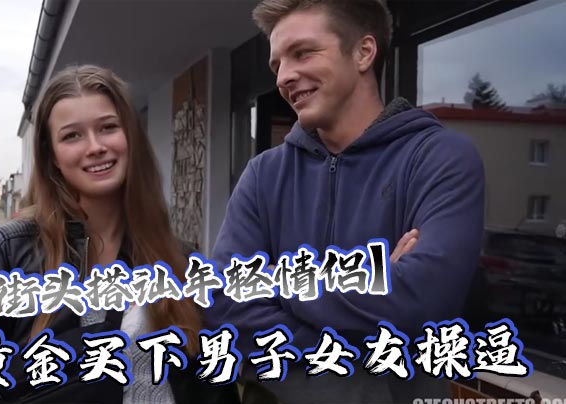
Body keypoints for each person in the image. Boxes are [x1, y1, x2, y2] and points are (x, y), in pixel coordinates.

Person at [205, 0, 485, 403]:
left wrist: (274, 282)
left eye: (303, 53)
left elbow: (421, 302)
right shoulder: (263, 175)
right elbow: (225, 303)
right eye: (277, 64)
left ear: (363, 52)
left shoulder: (439, 159)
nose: (284, 77)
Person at [0, 65, 240, 404]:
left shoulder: (181, 261)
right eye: (72, 136)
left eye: (108, 127)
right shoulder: (9, 252)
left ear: (131, 137)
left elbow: (215, 384)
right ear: (52, 156)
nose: (95, 147)